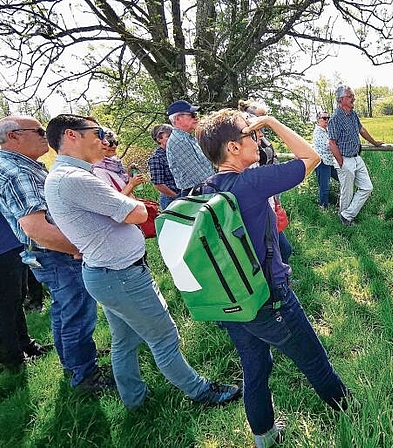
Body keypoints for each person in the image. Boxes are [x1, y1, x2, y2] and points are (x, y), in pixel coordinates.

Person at [44, 113, 241, 411]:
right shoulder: (76, 179)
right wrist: (131, 206)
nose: (102, 139)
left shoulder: (67, 176)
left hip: (106, 273)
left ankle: (134, 401)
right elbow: (137, 214)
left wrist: (124, 205)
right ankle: (201, 392)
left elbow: (124, 210)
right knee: (164, 336)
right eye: (95, 132)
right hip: (121, 275)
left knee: (124, 340)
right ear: (71, 135)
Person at [196, 109, 350, 448]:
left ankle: (264, 437)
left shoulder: (204, 189)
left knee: (255, 368)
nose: (257, 138)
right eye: (250, 134)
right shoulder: (249, 183)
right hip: (269, 300)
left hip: (230, 303)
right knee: (316, 363)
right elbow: (311, 156)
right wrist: (273, 122)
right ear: (233, 148)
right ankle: (357, 417)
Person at [0, 115, 110, 392]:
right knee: (77, 313)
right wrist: (79, 249)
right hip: (58, 254)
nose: (44, 135)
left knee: (64, 310)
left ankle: (75, 363)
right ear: (13, 136)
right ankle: (85, 376)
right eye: (37, 130)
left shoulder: (21, 166)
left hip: (50, 255)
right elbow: (37, 228)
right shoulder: (16, 172)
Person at [238, 100, 293, 264]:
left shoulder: (257, 143)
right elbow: (310, 158)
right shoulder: (248, 161)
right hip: (263, 201)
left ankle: (279, 275)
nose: (262, 134)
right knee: (280, 249)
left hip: (269, 193)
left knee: (279, 247)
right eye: (258, 129)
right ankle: (278, 280)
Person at [0, 213, 52, 371]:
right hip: (3, 247)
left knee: (18, 297)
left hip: (12, 242)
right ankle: (13, 360)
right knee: (5, 306)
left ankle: (26, 345)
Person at [328, 85, 384, 226]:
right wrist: (341, 162)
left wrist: (374, 142)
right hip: (345, 159)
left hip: (356, 157)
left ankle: (346, 215)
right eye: (350, 96)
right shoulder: (335, 118)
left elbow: (361, 130)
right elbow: (332, 143)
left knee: (367, 187)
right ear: (341, 99)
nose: (353, 98)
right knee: (346, 192)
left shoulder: (353, 114)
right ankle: (345, 222)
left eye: (353, 95)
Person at [166, 100, 215, 196]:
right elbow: (199, 177)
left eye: (196, 114)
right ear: (178, 119)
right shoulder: (179, 141)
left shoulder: (186, 138)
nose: (196, 118)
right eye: (192, 115)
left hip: (203, 190)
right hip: (198, 194)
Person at [93, 128, 144, 197]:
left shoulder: (115, 165)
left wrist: (130, 173)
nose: (114, 146)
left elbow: (121, 188)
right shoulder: (99, 171)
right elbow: (114, 201)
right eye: (110, 143)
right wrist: (131, 184)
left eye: (115, 142)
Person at [312, 111, 339, 209]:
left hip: (330, 162)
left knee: (342, 178)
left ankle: (341, 201)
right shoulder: (318, 132)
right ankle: (323, 208)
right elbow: (328, 145)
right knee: (325, 187)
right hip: (322, 163)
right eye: (324, 118)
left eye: (328, 118)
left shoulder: (326, 131)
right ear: (318, 120)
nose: (327, 120)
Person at [148, 124, 179, 209]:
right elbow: (158, 184)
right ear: (159, 139)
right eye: (168, 136)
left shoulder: (174, 153)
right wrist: (176, 197)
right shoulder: (156, 158)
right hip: (170, 199)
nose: (173, 138)